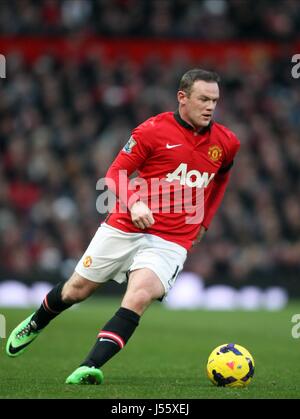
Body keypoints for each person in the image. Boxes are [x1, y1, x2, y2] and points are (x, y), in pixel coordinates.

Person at [6, 69, 240, 385]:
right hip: (125, 225)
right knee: (77, 290)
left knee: (139, 296)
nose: (210, 106)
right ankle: (36, 322)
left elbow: (221, 179)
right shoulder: (152, 131)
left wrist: (205, 222)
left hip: (171, 239)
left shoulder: (227, 142)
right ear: (182, 98)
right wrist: (135, 202)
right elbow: (115, 173)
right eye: (203, 99)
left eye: (215, 100)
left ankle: (89, 367)